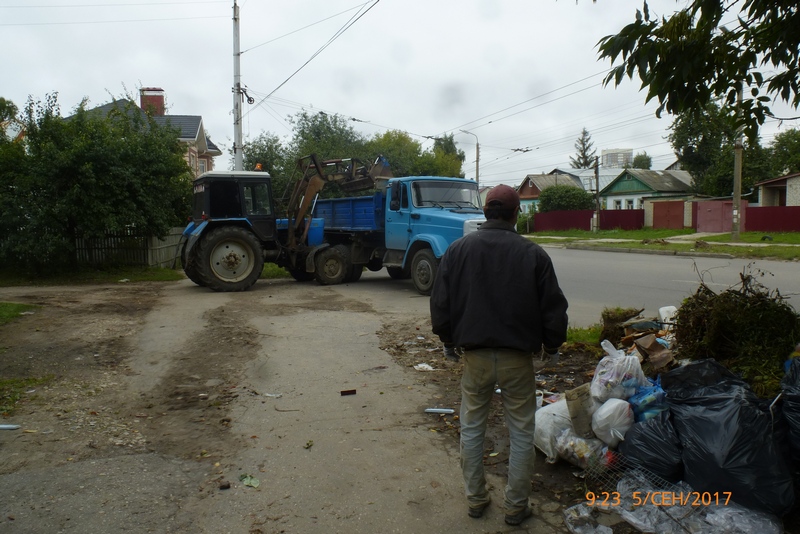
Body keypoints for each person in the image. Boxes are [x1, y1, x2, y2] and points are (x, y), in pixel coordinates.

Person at [429, 184, 568, 526]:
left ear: (485, 212)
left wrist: (448, 342)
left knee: (472, 427)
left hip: (474, 358)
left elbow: (440, 304)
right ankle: (515, 507)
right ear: (516, 213)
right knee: (521, 432)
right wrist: (552, 348)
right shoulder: (534, 254)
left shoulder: (457, 251)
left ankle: (476, 500)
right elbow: (554, 310)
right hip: (517, 360)